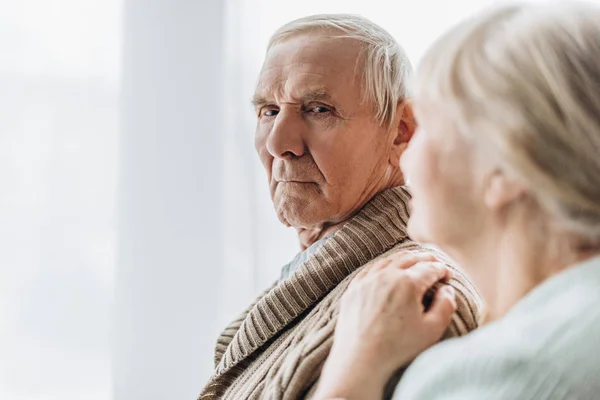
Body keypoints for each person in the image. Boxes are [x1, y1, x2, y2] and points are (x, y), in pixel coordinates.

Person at [312, 2, 600, 399]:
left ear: (506, 166)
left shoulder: (500, 372)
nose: (407, 152)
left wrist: (353, 368)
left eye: (426, 125)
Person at [199, 14, 482, 400]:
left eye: (318, 109)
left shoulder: (418, 300)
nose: (278, 142)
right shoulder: (325, 279)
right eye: (268, 111)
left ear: (401, 131)